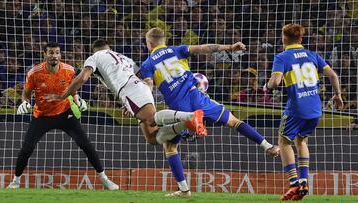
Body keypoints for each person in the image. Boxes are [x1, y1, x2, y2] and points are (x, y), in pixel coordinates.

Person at [141, 27, 280, 197]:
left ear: (149, 44)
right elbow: (203, 48)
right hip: (197, 96)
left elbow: (147, 87)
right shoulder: (177, 50)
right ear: (164, 41)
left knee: (170, 147)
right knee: (234, 121)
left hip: (178, 106)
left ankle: (184, 189)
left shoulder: (147, 64)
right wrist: (230, 47)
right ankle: (269, 146)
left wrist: (134, 104)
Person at [44, 39, 207, 147]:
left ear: (94, 50)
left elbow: (83, 78)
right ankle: (184, 126)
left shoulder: (94, 57)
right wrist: (128, 101)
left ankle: (189, 118)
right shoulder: (121, 57)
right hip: (135, 90)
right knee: (151, 138)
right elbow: (140, 73)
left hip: (130, 90)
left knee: (151, 120)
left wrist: (63, 95)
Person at [6, 42, 118, 190]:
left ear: (60, 55)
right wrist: (25, 103)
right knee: (27, 148)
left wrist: (78, 100)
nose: (54, 56)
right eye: (51, 53)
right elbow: (26, 94)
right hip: (42, 115)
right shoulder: (34, 72)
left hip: (65, 114)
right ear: (44, 55)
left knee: (85, 144)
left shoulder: (69, 70)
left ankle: (104, 179)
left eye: (57, 52)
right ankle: (15, 181)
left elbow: (72, 89)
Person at [263, 23, 344, 201]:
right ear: (301, 39)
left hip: (296, 108)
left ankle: (294, 184)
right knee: (302, 140)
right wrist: (337, 95)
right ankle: (304, 180)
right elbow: (333, 75)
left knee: (284, 142)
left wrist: (266, 86)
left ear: (284, 39)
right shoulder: (313, 55)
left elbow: (275, 82)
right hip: (315, 109)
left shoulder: (282, 57)